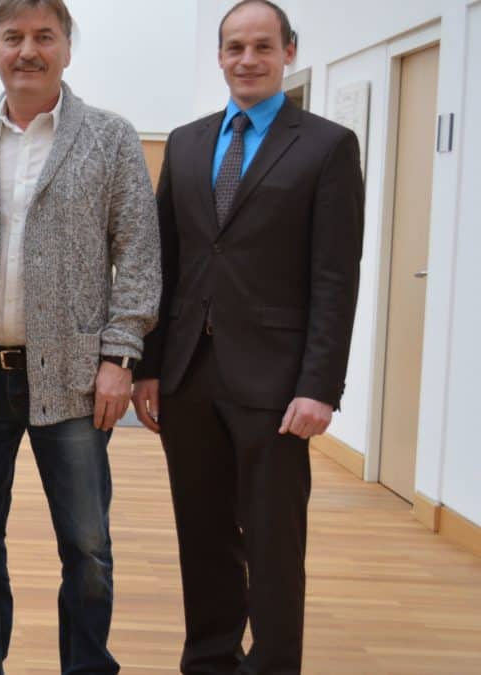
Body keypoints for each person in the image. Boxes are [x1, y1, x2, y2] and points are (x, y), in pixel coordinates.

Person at [132, 1, 365, 672]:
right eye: (235, 47)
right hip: (189, 376)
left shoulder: (325, 145)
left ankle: (273, 663)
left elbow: (334, 278)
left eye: (263, 46)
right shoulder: (187, 141)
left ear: (289, 52)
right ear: (220, 56)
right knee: (202, 535)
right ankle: (208, 657)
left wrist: (319, 386)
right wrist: (149, 365)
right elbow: (166, 265)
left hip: (276, 382)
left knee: (272, 542)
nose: (248, 59)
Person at [0, 1, 161, 672]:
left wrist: (120, 357)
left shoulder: (110, 137)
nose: (28, 50)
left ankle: (87, 664)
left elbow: (140, 255)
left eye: (44, 36)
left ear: (68, 47)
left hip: (71, 375)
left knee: (87, 546)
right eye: (13, 37)